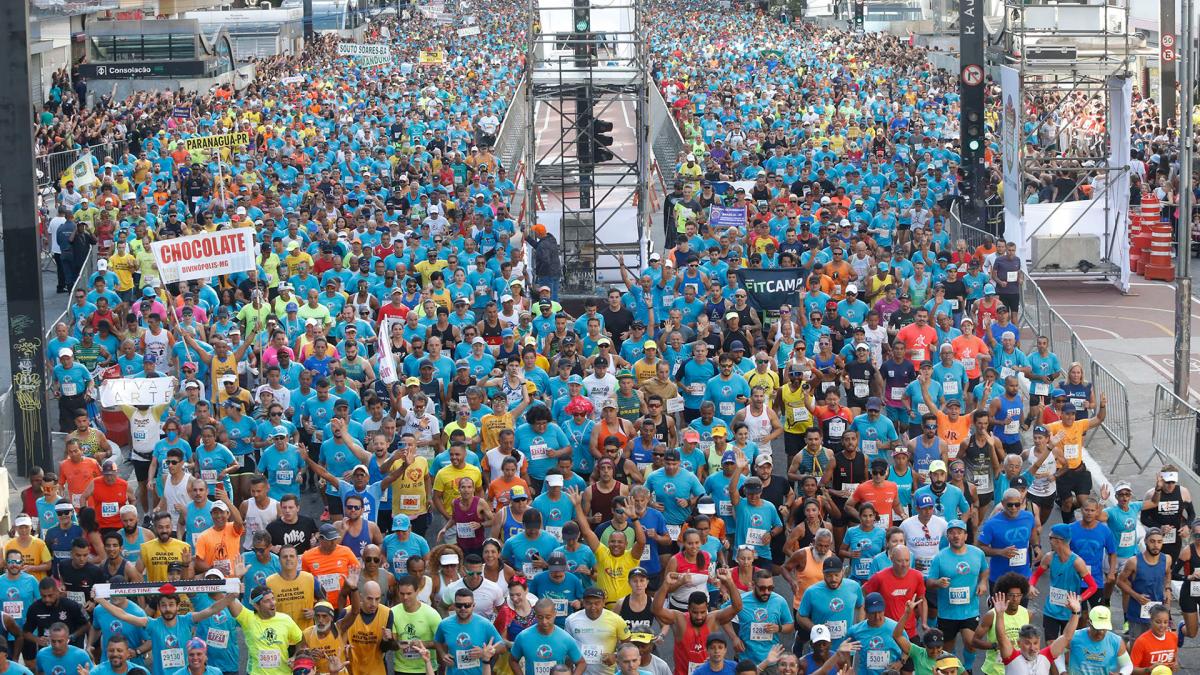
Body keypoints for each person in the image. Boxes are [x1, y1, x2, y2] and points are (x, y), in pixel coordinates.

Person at [93, 591, 232, 675]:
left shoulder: (187, 620)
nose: (167, 609)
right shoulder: (152, 624)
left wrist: (232, 597)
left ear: (177, 606)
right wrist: (100, 600)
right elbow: (123, 615)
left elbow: (211, 609)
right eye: (163, 605)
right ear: (159, 607)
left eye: (171, 605)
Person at [651, 569, 742, 675]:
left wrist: (730, 582)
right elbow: (656, 609)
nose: (699, 616)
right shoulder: (679, 619)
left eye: (703, 612)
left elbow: (737, 607)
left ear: (707, 608)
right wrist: (666, 585)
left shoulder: (713, 619)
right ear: (688, 609)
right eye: (695, 612)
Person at [991, 590, 1080, 675]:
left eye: (1035, 643)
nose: (1032, 648)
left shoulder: (1046, 655)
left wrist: (1075, 612)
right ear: (1019, 643)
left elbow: (1066, 637)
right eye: (1027, 643)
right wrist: (999, 615)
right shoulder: (1011, 656)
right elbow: (1001, 637)